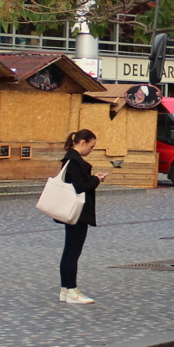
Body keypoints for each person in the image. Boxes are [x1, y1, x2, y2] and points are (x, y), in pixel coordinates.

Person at [57, 129, 107, 305]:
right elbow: (80, 187)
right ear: (82, 142)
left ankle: (67, 288)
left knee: (70, 250)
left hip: (72, 211)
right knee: (73, 251)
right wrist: (95, 180)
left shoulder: (70, 159)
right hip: (77, 212)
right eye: (91, 146)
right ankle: (70, 289)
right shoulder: (74, 161)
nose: (91, 150)